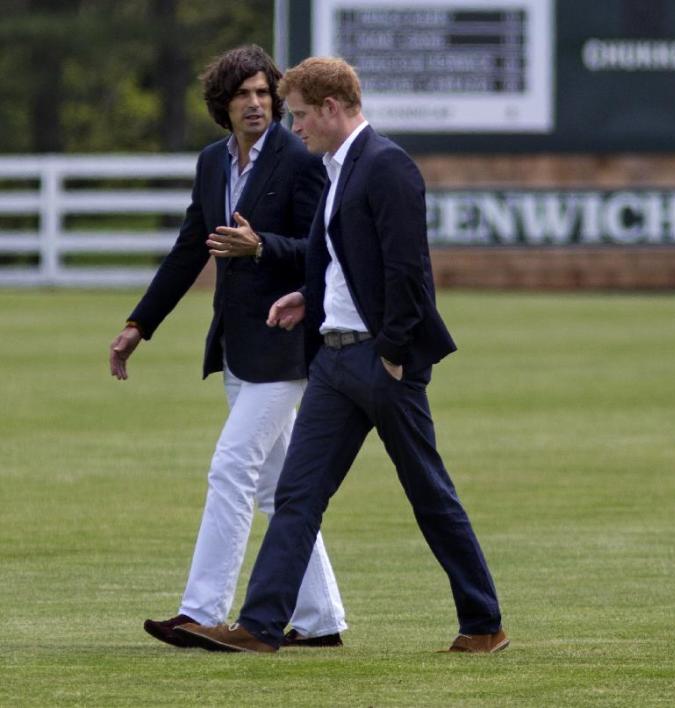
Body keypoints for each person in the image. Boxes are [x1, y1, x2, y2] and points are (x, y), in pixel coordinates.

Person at [176, 57, 507, 654]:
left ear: (332, 108)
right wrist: (310, 296)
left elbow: (409, 272)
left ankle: (483, 624)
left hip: (382, 363)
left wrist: (395, 355)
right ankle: (259, 627)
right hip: (331, 361)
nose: (292, 127)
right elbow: (343, 258)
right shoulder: (335, 169)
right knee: (296, 497)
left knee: (428, 494)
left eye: (300, 115)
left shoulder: (387, 166)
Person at [108, 45, 347, 649]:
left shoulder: (298, 159)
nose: (256, 104)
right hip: (236, 349)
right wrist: (141, 324)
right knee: (276, 488)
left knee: (232, 469)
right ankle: (321, 623)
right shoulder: (213, 163)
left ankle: (202, 611)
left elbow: (320, 246)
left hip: (285, 344)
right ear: (223, 104)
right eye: (243, 94)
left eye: (265, 93)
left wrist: (261, 245)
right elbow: (191, 247)